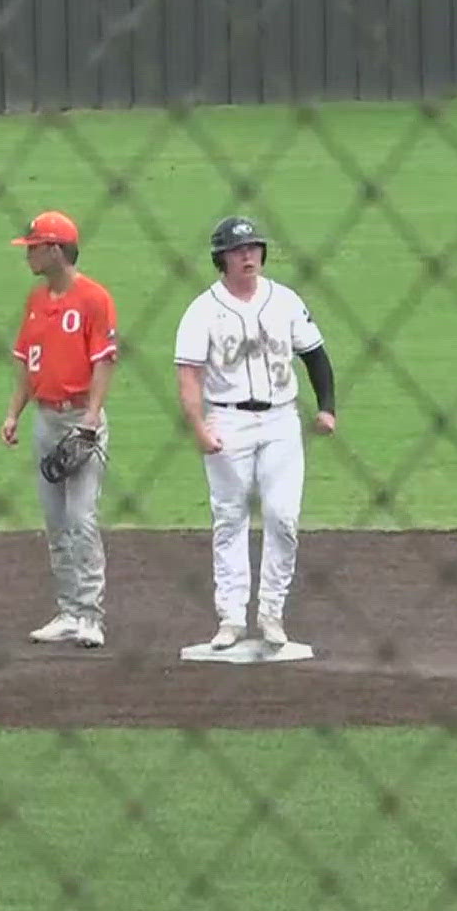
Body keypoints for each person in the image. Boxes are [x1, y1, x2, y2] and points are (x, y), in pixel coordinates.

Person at [172, 215, 337, 650]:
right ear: (221, 258)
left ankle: (271, 612)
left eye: (253, 248)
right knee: (230, 518)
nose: (248, 256)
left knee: (283, 517)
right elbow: (188, 376)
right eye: (238, 250)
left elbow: (315, 356)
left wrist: (327, 409)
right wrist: (198, 428)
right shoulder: (202, 310)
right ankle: (230, 617)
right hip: (227, 421)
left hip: (282, 420)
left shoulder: (284, 301)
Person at [0, 211, 118, 648]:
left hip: (80, 420)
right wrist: (14, 413)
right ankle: (69, 611)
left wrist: (92, 417)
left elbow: (103, 359)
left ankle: (91, 616)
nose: (28, 254)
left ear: (55, 249)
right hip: (46, 420)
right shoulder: (36, 301)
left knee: (81, 519)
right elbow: (28, 365)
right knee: (55, 523)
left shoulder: (93, 298)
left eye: (34, 246)